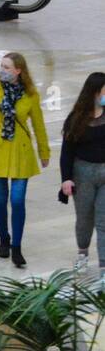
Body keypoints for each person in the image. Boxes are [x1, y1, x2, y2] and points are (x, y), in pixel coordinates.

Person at [0, 53, 49, 268]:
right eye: (1, 66)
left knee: (17, 200)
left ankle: (17, 245)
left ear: (18, 70)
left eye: (7, 67)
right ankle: (3, 239)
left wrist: (44, 152)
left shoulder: (31, 95)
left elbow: (39, 125)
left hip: (20, 150)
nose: (2, 70)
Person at [60, 73, 105, 275]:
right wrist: (66, 178)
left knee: (103, 219)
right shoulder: (76, 119)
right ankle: (82, 253)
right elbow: (67, 151)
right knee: (84, 218)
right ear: (95, 92)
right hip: (83, 173)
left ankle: (104, 264)